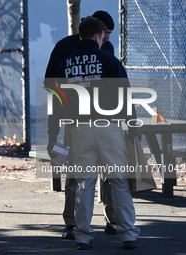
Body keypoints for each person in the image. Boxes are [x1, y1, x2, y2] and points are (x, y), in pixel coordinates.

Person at [55, 16, 140, 250]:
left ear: (81, 36)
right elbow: (125, 95)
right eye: (104, 37)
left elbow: (58, 101)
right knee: (118, 181)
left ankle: (82, 235)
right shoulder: (109, 60)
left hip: (80, 129)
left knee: (85, 183)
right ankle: (128, 234)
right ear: (98, 36)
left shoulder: (68, 63)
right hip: (108, 128)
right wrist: (131, 127)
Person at [45, 10, 117, 240]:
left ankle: (111, 219)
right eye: (105, 34)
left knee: (104, 172)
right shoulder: (65, 47)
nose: (107, 39)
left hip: (98, 121)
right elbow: (51, 85)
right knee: (77, 173)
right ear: (95, 32)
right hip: (76, 121)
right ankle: (71, 221)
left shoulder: (106, 48)